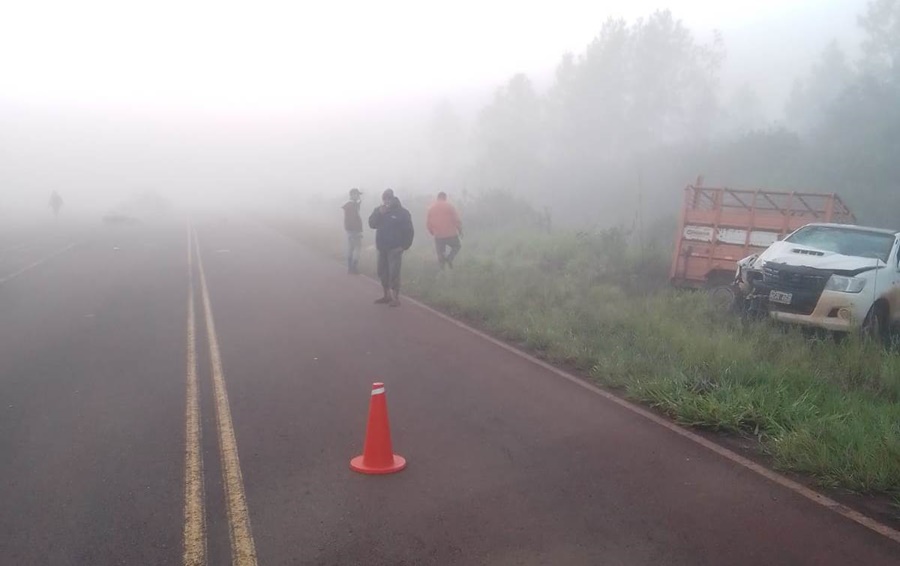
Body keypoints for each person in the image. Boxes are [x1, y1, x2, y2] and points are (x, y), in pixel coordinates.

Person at [368, 189, 414, 307]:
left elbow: (409, 231)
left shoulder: (402, 212)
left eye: (388, 198)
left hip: (395, 248)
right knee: (382, 272)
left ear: (393, 198)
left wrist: (404, 246)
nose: (386, 201)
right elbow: (371, 224)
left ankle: (396, 298)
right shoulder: (379, 210)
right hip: (382, 247)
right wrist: (379, 213)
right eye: (384, 199)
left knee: (394, 273)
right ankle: (386, 295)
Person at [426, 191, 462, 269]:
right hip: (451, 234)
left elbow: (428, 223)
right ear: (445, 198)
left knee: (440, 254)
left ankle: (442, 271)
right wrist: (459, 230)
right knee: (457, 246)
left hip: (438, 235)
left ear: (437, 198)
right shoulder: (450, 206)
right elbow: (456, 219)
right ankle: (450, 258)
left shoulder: (431, 208)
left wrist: (432, 232)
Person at [342, 188, 364, 274]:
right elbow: (352, 219)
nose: (358, 196)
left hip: (350, 229)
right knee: (357, 248)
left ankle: (350, 267)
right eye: (357, 194)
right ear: (352, 195)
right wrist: (357, 231)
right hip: (354, 230)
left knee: (351, 248)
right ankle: (353, 267)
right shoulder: (352, 206)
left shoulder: (350, 205)